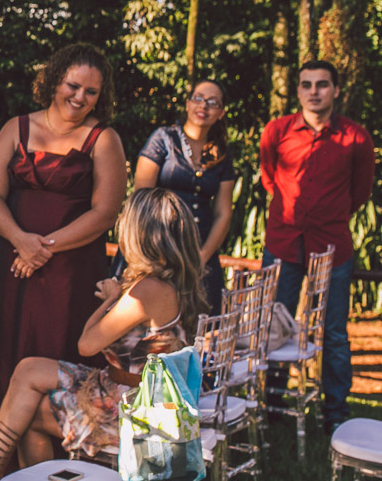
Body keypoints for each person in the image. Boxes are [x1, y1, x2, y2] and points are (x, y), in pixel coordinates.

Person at [0, 188, 204, 480]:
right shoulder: (169, 283)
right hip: (122, 389)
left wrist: (112, 300)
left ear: (140, 234)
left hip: (128, 410)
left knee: (34, 415)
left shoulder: (148, 290)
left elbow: (87, 344)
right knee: (28, 369)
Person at [0, 43, 127, 470]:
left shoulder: (104, 139)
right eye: (73, 85)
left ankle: (53, 469)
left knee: (55, 353)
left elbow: (105, 211)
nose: (80, 97)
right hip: (10, 269)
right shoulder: (15, 128)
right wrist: (21, 241)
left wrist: (44, 248)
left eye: (91, 92)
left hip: (71, 277)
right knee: (0, 357)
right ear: (54, 81)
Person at [260, 59, 375, 434]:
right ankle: (273, 403)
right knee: (274, 325)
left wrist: (328, 214)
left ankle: (335, 413)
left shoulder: (356, 138)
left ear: (335, 91)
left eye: (322, 84)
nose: (314, 91)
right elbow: (269, 180)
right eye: (306, 84)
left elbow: (360, 192)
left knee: (335, 332)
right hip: (283, 243)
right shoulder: (277, 132)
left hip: (332, 247)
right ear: (298, 91)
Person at [133, 79, 234, 311]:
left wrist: (200, 258)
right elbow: (141, 199)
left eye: (212, 102)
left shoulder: (221, 154)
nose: (204, 106)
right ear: (188, 104)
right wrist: (153, 253)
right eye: (198, 98)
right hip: (155, 247)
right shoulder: (163, 139)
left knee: (203, 326)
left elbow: (223, 214)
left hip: (200, 253)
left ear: (221, 112)